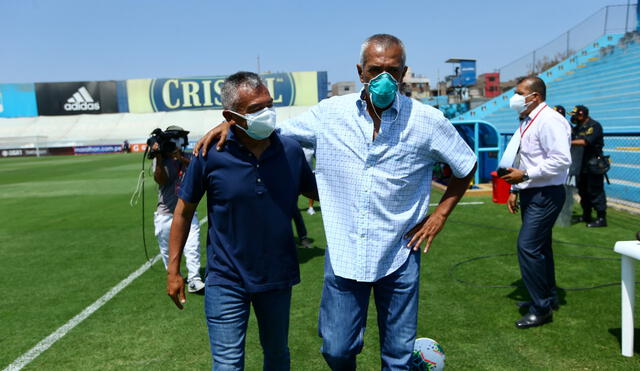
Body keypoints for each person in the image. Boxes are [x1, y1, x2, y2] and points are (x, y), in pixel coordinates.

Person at [195, 34, 477, 370]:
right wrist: (232, 121)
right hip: (346, 254)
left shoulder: (428, 121)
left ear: (403, 73)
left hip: (400, 253)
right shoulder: (329, 114)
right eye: (375, 70)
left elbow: (466, 164)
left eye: (393, 70)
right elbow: (270, 130)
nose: (384, 78)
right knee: (337, 349)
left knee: (397, 357)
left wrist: (440, 215)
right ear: (361, 72)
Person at [166, 72, 318, 370]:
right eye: (255, 109)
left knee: (277, 355)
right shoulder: (209, 153)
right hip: (226, 278)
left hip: (277, 276)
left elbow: (323, 193)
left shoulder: (290, 150)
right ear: (231, 115)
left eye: (269, 105)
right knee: (227, 365)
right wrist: (173, 270)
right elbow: (183, 212)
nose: (267, 114)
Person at [501, 77, 572, 329]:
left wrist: (526, 176)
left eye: (520, 93)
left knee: (528, 247)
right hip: (532, 192)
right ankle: (547, 297)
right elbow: (524, 157)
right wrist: (515, 189)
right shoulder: (529, 120)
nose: (515, 98)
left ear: (536, 97)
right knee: (541, 248)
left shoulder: (550, 120)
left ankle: (540, 308)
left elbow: (561, 159)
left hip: (546, 193)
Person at [152, 125, 204, 293]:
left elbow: (199, 168)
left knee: (192, 246)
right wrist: (160, 157)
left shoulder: (189, 156)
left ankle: (194, 279)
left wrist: (180, 158)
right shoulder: (159, 159)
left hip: (187, 211)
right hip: (165, 212)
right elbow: (161, 180)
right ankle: (175, 276)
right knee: (167, 250)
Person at [569, 105, 607, 227]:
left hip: (594, 164)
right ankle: (586, 214)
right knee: (583, 191)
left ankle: (601, 218)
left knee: (595, 191)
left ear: (581, 115)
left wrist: (567, 142)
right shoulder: (578, 128)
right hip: (581, 164)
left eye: (575, 115)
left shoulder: (594, 126)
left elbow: (585, 142)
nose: (574, 118)